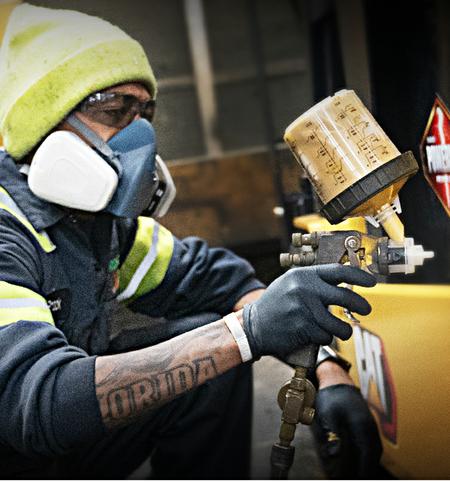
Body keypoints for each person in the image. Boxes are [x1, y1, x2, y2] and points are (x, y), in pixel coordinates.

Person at [0, 3, 381, 479]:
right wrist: (244, 334)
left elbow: (218, 282)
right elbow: (35, 404)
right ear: (43, 121)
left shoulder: (99, 228)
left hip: (68, 450)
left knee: (210, 344)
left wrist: (325, 371)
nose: (139, 138)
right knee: (225, 340)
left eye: (145, 115)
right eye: (116, 111)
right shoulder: (7, 229)